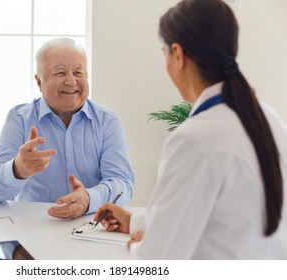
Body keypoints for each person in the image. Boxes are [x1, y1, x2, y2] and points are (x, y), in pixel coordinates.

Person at [94, 0, 287, 259]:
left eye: (163, 52)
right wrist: (137, 223)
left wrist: (142, 245)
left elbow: (159, 262)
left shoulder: (196, 139)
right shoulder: (269, 119)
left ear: (177, 54)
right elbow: (230, 220)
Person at [0, 38, 134, 219]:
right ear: (39, 82)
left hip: (91, 228)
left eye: (78, 72)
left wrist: (88, 200)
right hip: (32, 230)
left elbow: (122, 184)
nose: (71, 81)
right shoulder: (19, 119)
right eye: (60, 73)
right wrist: (17, 169)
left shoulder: (108, 121)